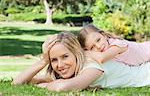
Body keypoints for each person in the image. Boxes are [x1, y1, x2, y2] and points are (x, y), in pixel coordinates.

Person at [12, 32, 150, 92]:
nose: (60, 65)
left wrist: (41, 86)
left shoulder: (92, 66)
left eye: (65, 56)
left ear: (77, 53)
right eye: (54, 60)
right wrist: (44, 61)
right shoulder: (71, 70)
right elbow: (17, 82)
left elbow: (63, 87)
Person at [78, 24, 150, 66]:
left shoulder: (117, 45)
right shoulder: (105, 48)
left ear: (104, 35)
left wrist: (83, 52)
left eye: (98, 40)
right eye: (92, 47)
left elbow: (101, 58)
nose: (98, 46)